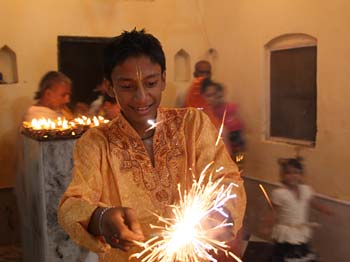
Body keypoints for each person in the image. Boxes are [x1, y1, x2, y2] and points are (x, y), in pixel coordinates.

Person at [57, 29, 246, 262]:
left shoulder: (192, 124)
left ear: (164, 79)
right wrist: (101, 218)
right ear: (109, 86)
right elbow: (71, 206)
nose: (142, 97)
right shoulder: (97, 143)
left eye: (151, 83)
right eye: (127, 86)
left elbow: (227, 179)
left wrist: (220, 211)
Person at [271, 158, 332, 262]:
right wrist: (267, 223)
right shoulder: (279, 193)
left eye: (296, 172)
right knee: (286, 257)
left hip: (300, 232)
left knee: (302, 255)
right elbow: (272, 211)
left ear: (301, 175)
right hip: (286, 233)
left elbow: (313, 202)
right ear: (282, 175)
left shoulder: (306, 190)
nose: (293, 176)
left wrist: (324, 209)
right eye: (288, 173)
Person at [200, 78, 245, 157]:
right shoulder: (202, 114)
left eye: (214, 95)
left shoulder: (229, 108)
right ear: (202, 96)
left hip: (233, 143)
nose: (212, 98)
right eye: (209, 95)